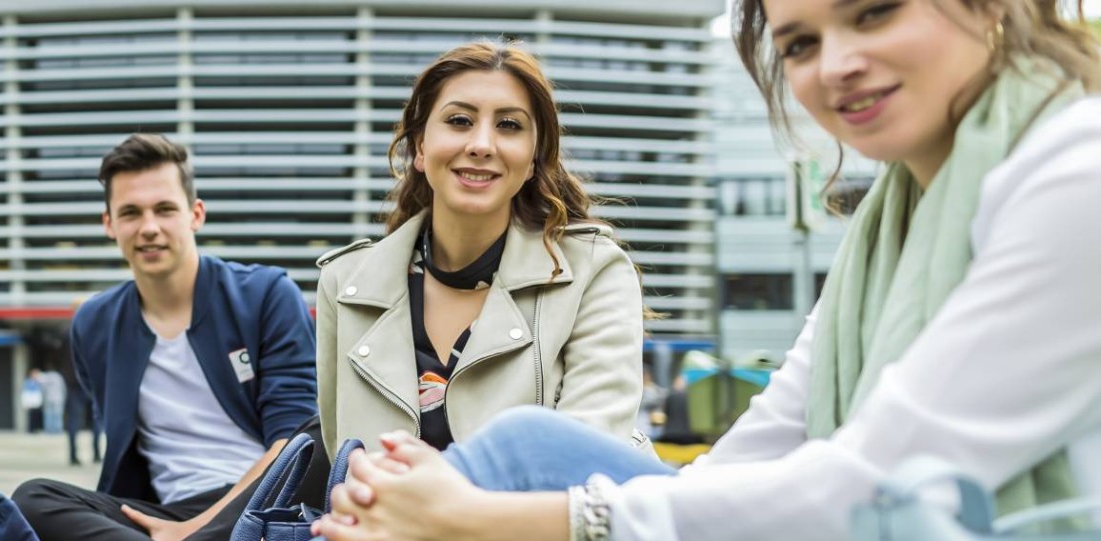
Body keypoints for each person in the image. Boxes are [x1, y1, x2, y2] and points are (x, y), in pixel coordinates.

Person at [314, 0, 1101, 539]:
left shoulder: (1074, 172)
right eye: (800, 43)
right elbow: (766, 440)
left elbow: (880, 477)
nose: (839, 65)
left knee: (518, 451)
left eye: (875, 11)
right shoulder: (889, 224)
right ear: (417, 148)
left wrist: (468, 512)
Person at [313, 41, 649, 457]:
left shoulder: (596, 272)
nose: (482, 144)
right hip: (385, 521)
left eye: (509, 125)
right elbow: (340, 457)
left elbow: (589, 455)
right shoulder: (344, 283)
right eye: (459, 120)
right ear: (420, 147)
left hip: (536, 520)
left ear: (532, 160)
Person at [13, 133, 320, 541]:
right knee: (32, 500)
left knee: (315, 435)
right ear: (109, 224)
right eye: (131, 213)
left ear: (195, 214)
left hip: (258, 500)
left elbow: (294, 442)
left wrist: (198, 529)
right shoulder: (95, 322)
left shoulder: (265, 295)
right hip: (161, 514)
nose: (149, 228)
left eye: (164, 209)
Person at [40, 367, 69, 435]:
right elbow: (63, 388)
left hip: (48, 398)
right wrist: (64, 398)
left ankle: (49, 430)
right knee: (57, 415)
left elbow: (43, 389)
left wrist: (43, 399)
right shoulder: (59, 377)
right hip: (58, 398)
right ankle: (58, 430)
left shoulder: (45, 377)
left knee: (48, 415)